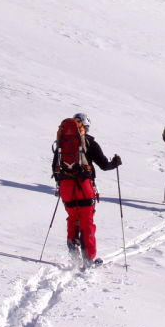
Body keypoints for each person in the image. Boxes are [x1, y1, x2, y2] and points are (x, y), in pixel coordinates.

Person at [52, 113, 121, 266]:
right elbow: (104, 165)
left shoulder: (61, 143)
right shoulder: (90, 143)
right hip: (84, 186)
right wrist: (115, 162)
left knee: (73, 217)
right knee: (87, 220)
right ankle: (88, 257)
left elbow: (55, 168)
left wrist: (62, 181)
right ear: (84, 127)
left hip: (66, 188)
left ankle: (73, 245)